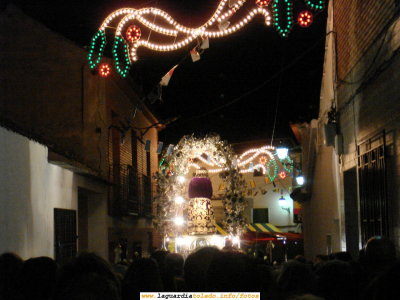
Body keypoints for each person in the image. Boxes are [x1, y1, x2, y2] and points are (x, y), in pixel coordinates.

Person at [187, 168, 216, 235]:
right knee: (205, 218)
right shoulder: (208, 181)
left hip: (195, 204)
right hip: (205, 203)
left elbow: (190, 193)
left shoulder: (192, 180)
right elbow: (210, 193)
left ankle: (194, 230)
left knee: (195, 219)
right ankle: (206, 230)